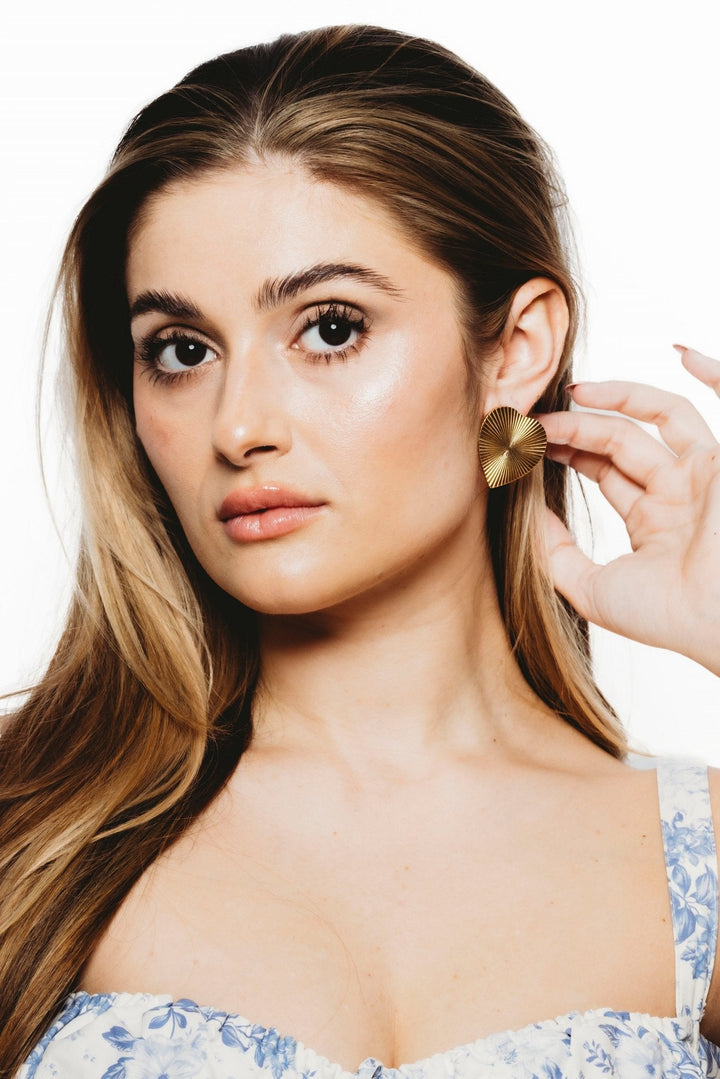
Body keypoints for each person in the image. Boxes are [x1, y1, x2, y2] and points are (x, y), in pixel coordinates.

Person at [1, 23, 719, 1079]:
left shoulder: (697, 858)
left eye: (330, 328)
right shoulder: (30, 830)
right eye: (182, 351)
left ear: (515, 349)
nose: (239, 425)